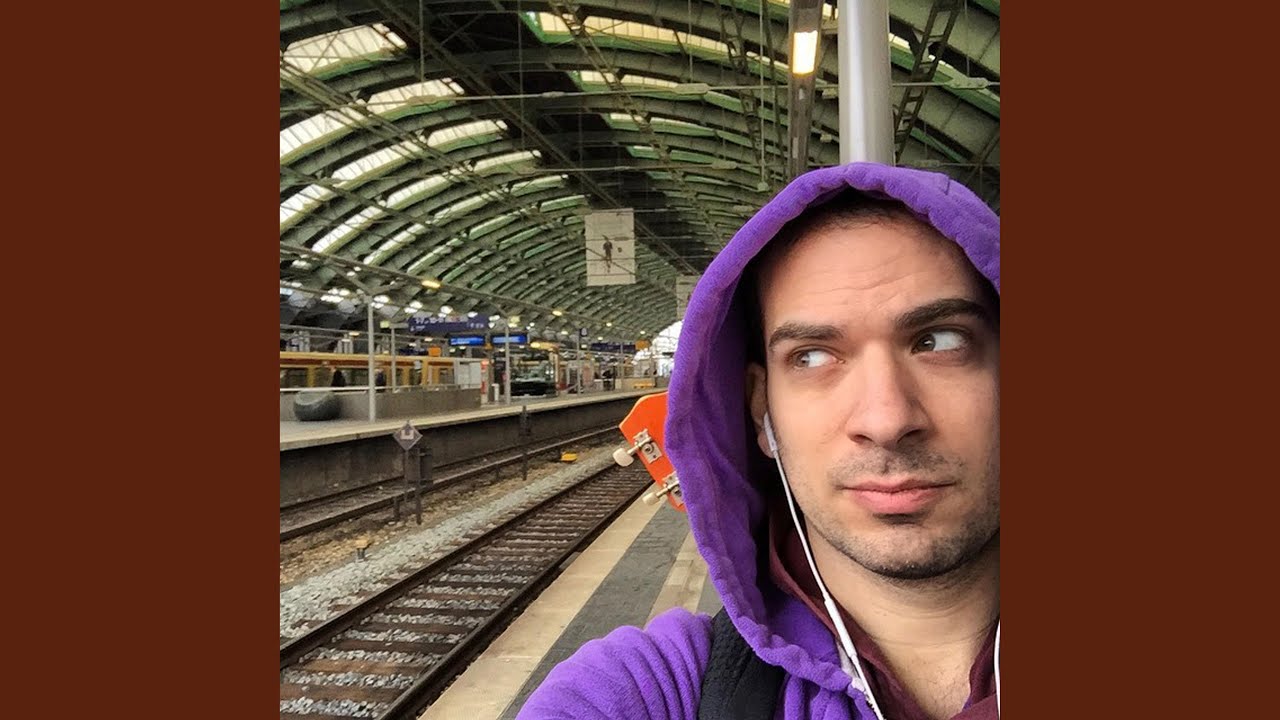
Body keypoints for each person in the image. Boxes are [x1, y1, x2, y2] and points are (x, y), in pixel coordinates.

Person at [516, 162, 1000, 720]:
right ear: (760, 410)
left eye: (940, 341)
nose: (886, 418)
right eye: (812, 357)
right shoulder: (647, 692)